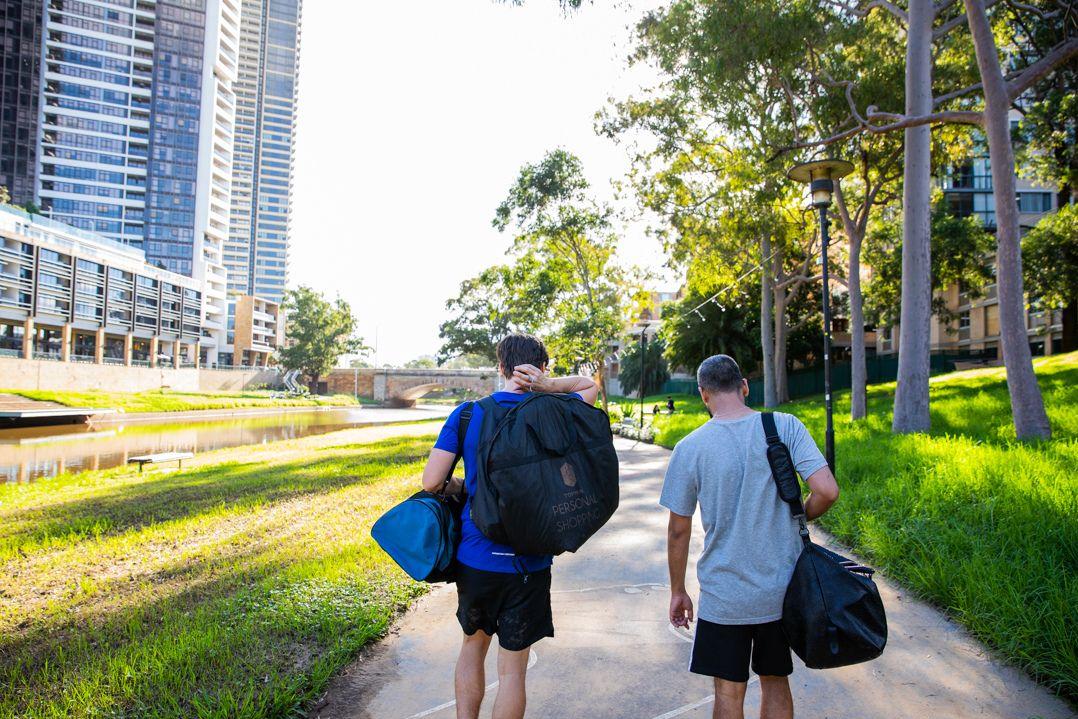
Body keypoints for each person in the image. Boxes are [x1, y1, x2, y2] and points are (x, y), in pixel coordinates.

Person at [420, 333, 599, 719]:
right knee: (513, 670)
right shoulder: (558, 410)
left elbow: (432, 482)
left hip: (476, 557)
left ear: (500, 367)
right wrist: (548, 387)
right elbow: (589, 386)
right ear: (541, 368)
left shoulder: (469, 414)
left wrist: (464, 486)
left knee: (472, 646)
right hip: (529, 561)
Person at [660, 355, 839, 719]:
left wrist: (678, 591)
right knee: (775, 680)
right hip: (782, 591)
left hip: (724, 596)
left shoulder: (690, 448)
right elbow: (827, 491)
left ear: (703, 395)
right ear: (744, 387)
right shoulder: (784, 426)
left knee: (728, 691)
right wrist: (799, 515)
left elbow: (679, 531)